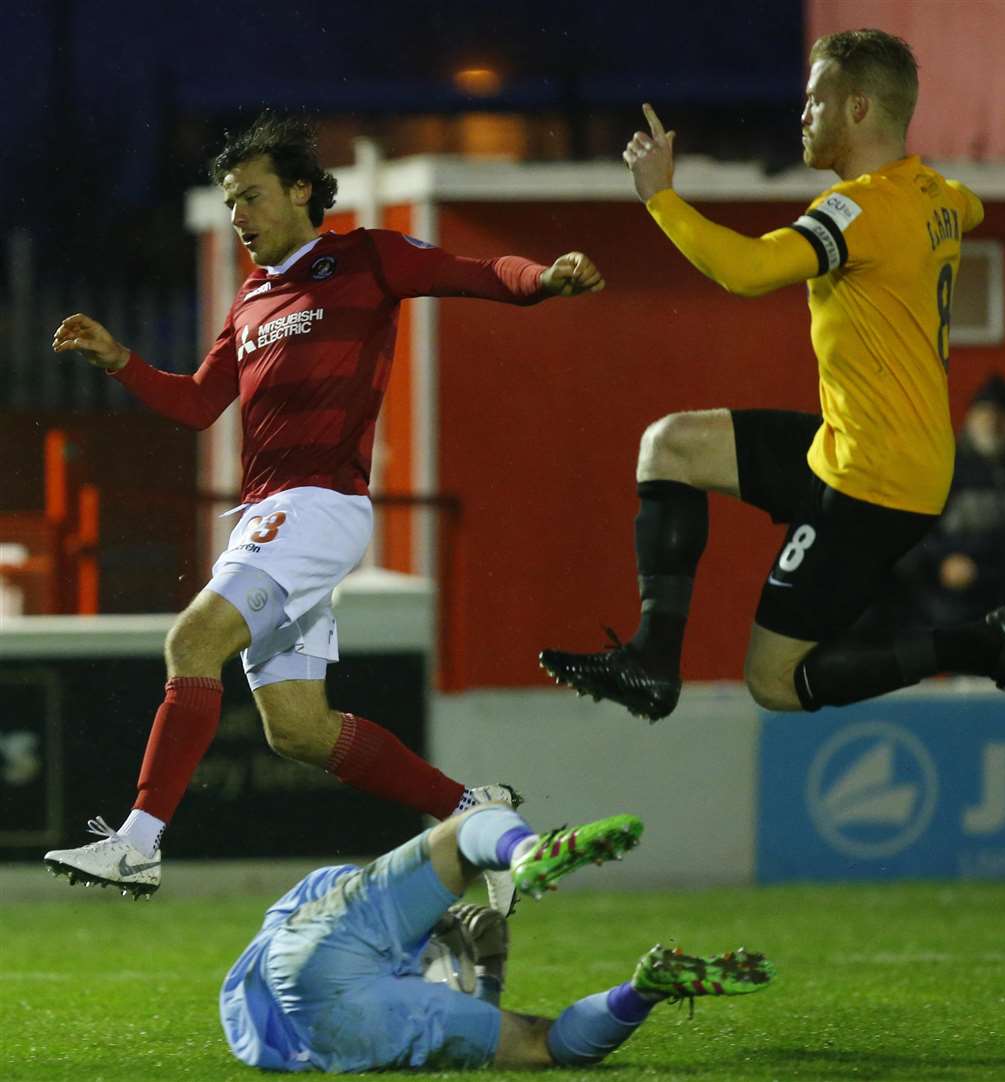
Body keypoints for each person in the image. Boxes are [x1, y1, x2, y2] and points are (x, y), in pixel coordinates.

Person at [44, 112, 606, 900]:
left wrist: (541, 279)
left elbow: (471, 273)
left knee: (191, 642)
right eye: (230, 202)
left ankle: (138, 842)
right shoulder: (250, 301)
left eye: (251, 196)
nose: (238, 216)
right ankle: (473, 811)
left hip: (315, 508)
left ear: (303, 190)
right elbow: (200, 404)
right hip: (274, 517)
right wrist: (121, 361)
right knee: (299, 731)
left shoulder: (363, 257)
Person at [539, 30, 1005, 747]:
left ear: (856, 109)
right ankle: (652, 661)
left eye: (816, 98)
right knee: (671, 447)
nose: (803, 112)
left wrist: (661, 197)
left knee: (775, 683)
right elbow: (966, 206)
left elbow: (749, 270)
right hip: (856, 449)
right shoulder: (938, 196)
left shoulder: (861, 210)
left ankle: (984, 645)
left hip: (873, 482)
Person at [219, 804, 774, 1071]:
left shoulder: (314, 906)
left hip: (323, 1016)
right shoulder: (323, 890)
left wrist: (480, 981)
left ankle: (646, 988)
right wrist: (481, 977)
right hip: (338, 1007)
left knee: (541, 1043)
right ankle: (526, 857)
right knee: (467, 831)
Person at [891, 374, 1005, 629]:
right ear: (970, 419)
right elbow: (907, 534)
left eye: (1001, 416)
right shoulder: (943, 473)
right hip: (956, 611)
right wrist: (940, 563)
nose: (993, 424)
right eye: (985, 415)